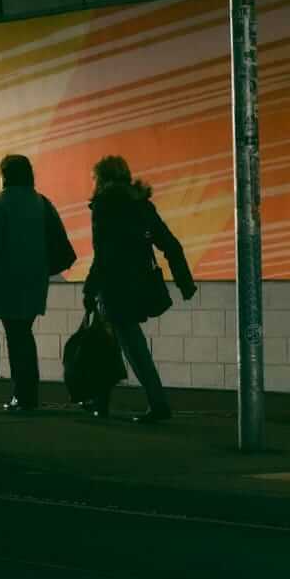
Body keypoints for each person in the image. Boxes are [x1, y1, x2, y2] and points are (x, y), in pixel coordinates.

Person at [82, 155, 196, 423]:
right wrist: (184, 282)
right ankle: (100, 400)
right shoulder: (140, 204)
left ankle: (158, 403)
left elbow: (104, 254)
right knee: (113, 341)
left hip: (114, 285)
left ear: (102, 178)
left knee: (131, 345)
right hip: (139, 284)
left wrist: (90, 288)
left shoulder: (105, 205)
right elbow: (170, 244)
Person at [0, 154, 76, 412]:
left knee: (16, 337)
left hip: (7, 281)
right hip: (35, 280)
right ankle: (26, 393)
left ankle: (24, 394)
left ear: (5, 175)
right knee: (23, 334)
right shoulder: (40, 202)